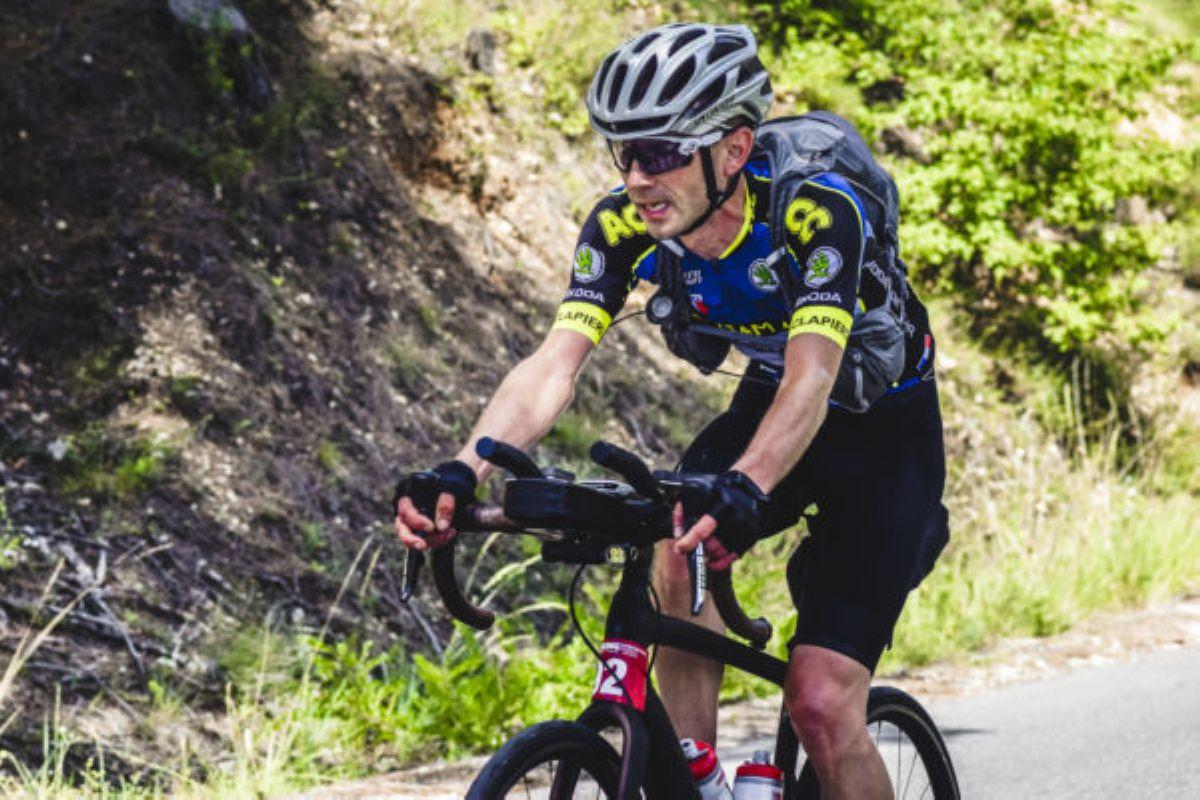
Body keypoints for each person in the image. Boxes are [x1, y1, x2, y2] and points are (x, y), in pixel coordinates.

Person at [395, 22, 948, 800]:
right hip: (771, 401)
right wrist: (463, 469)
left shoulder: (817, 210)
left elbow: (813, 374)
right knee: (674, 537)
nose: (636, 178)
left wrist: (748, 484)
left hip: (881, 431)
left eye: (659, 153)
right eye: (623, 153)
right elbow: (554, 363)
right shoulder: (624, 223)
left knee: (822, 704)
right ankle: (699, 778)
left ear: (733, 150)